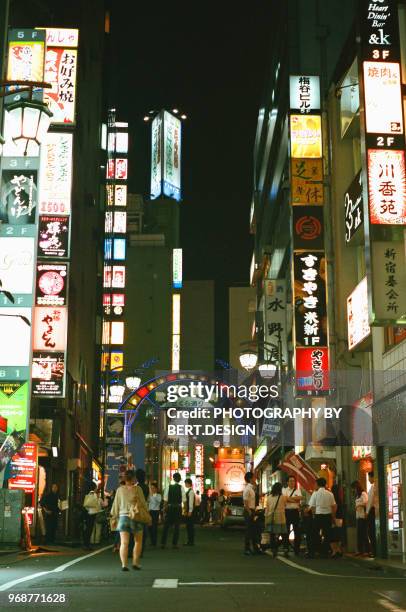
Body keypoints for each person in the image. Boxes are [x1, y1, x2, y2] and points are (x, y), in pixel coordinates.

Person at [110, 469, 148, 571]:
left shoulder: (119, 490)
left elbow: (115, 505)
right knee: (138, 541)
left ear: (124, 479)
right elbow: (143, 503)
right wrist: (148, 514)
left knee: (124, 543)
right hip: (136, 517)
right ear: (134, 478)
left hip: (123, 518)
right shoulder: (138, 489)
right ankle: (135, 563)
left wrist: (114, 517)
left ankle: (124, 565)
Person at [309, 477, 337, 557]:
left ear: (317, 484)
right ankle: (325, 551)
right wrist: (333, 516)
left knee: (314, 534)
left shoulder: (315, 493)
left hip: (318, 516)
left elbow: (312, 506)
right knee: (327, 534)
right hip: (327, 516)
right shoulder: (330, 493)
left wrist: (313, 515)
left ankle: (314, 551)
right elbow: (334, 506)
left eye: (315, 484)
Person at [265, 482, 290, 558]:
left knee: (272, 535)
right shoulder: (283, 497)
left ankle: (274, 550)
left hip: (271, 518)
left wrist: (266, 518)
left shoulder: (269, 497)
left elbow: (267, 509)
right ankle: (285, 549)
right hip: (281, 518)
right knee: (284, 535)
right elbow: (286, 504)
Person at [161, 472, 186, 549]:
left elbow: (165, 499)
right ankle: (174, 544)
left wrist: (164, 509)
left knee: (166, 526)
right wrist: (184, 509)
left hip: (169, 507)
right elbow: (184, 500)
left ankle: (163, 543)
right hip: (178, 508)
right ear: (179, 479)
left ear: (173, 478)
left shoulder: (169, 487)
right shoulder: (181, 488)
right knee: (177, 526)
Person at [282, 476, 303, 556]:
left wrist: (289, 499)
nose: (292, 482)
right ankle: (286, 548)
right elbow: (284, 499)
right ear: (287, 482)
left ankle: (297, 549)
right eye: (290, 481)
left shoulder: (298, 490)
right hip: (286, 512)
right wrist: (294, 499)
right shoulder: (284, 490)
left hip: (295, 512)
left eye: (293, 481)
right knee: (286, 531)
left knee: (297, 531)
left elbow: (300, 498)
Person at [243, 472, 261, 556]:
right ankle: (247, 548)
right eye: (254, 477)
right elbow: (245, 502)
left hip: (252, 510)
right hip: (249, 511)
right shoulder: (247, 489)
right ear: (250, 479)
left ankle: (255, 548)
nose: (255, 479)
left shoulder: (252, 488)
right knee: (249, 530)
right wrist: (250, 512)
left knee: (254, 530)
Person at [351, 480, 369, 556]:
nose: (353, 490)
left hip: (363, 516)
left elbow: (366, 502)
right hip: (358, 516)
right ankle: (360, 550)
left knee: (364, 533)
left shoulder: (363, 494)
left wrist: (359, 505)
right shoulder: (357, 495)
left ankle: (367, 550)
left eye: (354, 488)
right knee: (359, 534)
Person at [83, 482, 102, 550]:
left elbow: (86, 505)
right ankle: (87, 545)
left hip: (87, 513)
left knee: (87, 530)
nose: (96, 488)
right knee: (89, 530)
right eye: (96, 487)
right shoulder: (94, 494)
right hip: (92, 514)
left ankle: (86, 544)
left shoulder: (88, 494)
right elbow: (97, 504)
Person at [135, 469, 149, 556]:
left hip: (136, 511)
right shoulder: (146, 487)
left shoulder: (136, 488)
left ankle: (134, 550)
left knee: (135, 532)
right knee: (143, 532)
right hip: (144, 511)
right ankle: (141, 551)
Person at [366, 471, 377, 557]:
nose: (369, 479)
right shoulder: (376, 486)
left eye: (369, 477)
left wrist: (367, 512)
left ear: (373, 477)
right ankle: (375, 551)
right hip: (376, 511)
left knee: (372, 532)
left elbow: (370, 501)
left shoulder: (373, 486)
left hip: (372, 511)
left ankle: (374, 551)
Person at [148, 482, 161, 546]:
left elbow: (158, 501)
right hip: (149, 512)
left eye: (153, 488)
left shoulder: (158, 495)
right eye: (151, 488)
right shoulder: (149, 495)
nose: (152, 489)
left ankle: (154, 541)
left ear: (156, 489)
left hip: (155, 512)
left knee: (154, 527)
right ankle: (152, 541)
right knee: (150, 527)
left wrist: (152, 495)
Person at [184, 478, 196, 546]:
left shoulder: (191, 492)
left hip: (190, 511)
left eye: (185, 483)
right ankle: (190, 541)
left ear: (188, 483)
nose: (185, 484)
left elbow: (191, 502)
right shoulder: (190, 491)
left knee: (190, 526)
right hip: (189, 511)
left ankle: (190, 541)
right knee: (189, 526)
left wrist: (190, 511)